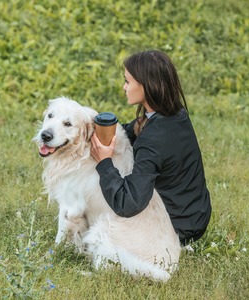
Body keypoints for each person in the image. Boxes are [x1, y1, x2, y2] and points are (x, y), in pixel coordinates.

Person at [90, 50, 211, 245]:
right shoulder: (174, 114)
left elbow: (128, 204)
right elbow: (132, 131)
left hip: (174, 228)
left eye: (128, 82)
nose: (124, 87)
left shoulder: (153, 140)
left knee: (101, 231)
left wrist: (104, 163)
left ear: (148, 86)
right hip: (195, 216)